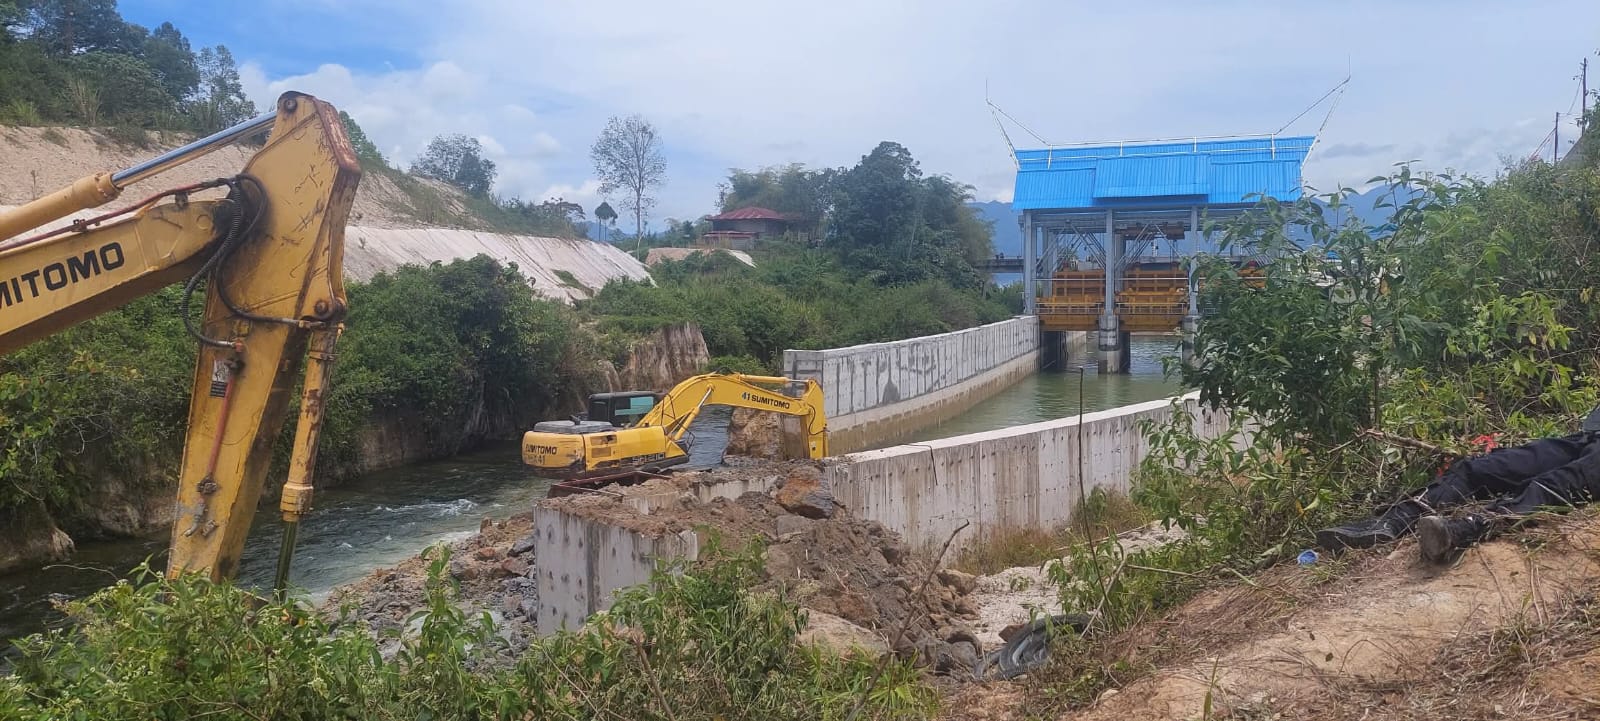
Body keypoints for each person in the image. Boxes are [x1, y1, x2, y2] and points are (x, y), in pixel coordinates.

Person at [1316, 409, 1600, 563]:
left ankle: (1467, 529)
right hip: (1585, 438)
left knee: (1557, 482)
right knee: (1477, 468)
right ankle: (1391, 522)